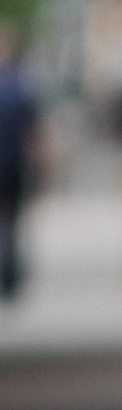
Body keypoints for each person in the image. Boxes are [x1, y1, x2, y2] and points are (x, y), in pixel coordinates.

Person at [0, 31, 40, 303]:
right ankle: (9, 275)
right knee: (11, 220)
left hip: (12, 163)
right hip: (13, 164)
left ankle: (9, 271)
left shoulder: (19, 84)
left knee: (11, 219)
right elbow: (35, 131)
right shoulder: (20, 83)